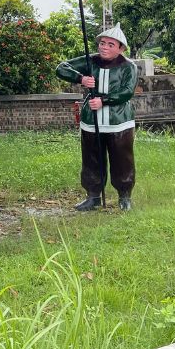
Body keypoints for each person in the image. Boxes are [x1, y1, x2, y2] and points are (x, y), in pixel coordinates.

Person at [56, 23, 139, 211]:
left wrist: (104, 100)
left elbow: (127, 91)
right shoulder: (90, 61)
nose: (105, 47)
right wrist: (81, 78)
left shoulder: (129, 67)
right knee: (91, 158)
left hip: (118, 122)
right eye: (102, 43)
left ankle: (124, 196)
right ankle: (93, 195)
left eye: (111, 44)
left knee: (122, 159)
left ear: (120, 48)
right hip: (91, 121)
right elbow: (61, 68)